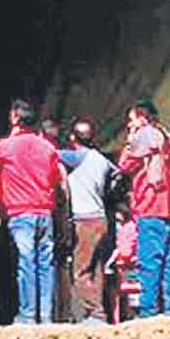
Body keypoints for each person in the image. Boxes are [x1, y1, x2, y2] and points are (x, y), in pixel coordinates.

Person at [0, 100, 67, 325]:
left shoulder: (5, 147)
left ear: (15, 118)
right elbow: (55, 179)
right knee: (45, 264)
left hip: (20, 212)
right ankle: (45, 315)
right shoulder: (48, 147)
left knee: (26, 263)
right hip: (44, 211)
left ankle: (27, 315)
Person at [116, 101, 170, 317]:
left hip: (150, 206)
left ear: (142, 118)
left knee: (149, 262)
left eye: (131, 119)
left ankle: (148, 312)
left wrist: (130, 139)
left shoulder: (144, 136)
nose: (129, 125)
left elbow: (124, 165)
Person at [61, 116, 117, 323]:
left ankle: (96, 313)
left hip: (84, 220)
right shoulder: (101, 159)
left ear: (73, 138)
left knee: (80, 271)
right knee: (96, 268)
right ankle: (98, 312)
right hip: (101, 218)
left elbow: (49, 154)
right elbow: (117, 176)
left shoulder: (75, 158)